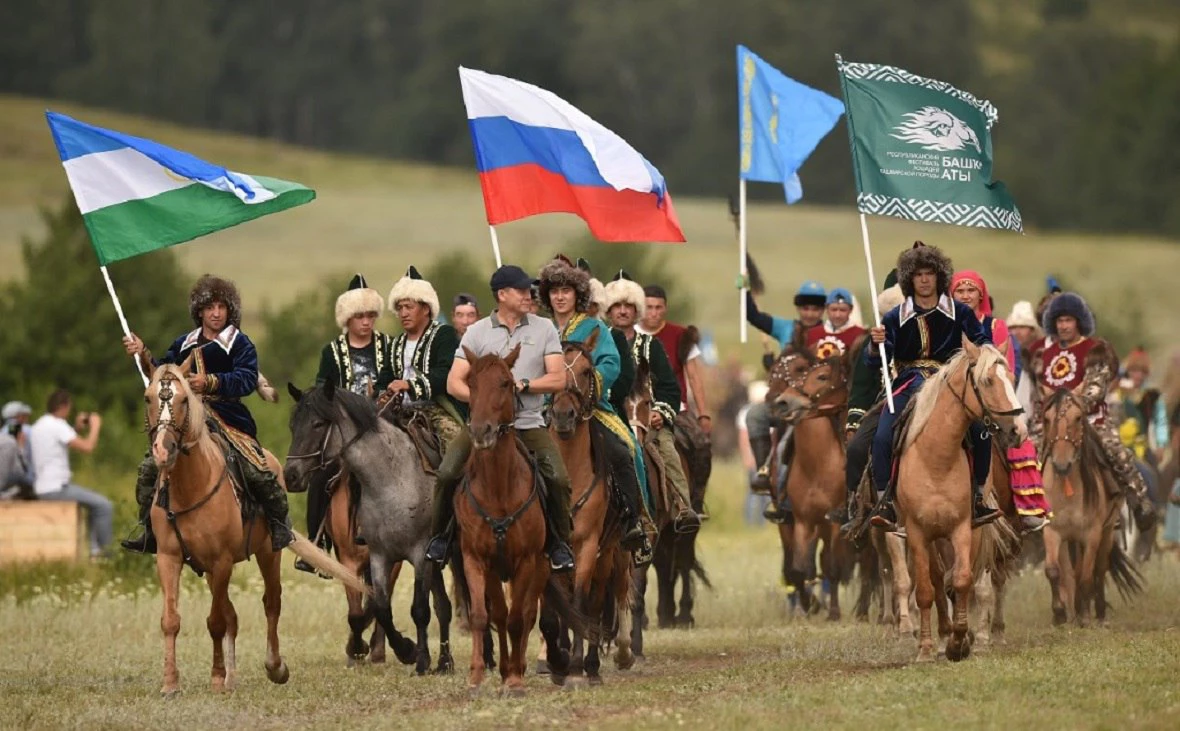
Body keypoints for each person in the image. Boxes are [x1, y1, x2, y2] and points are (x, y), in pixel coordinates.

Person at [121, 274, 292, 553]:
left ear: (229, 311)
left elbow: (247, 379)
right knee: (149, 468)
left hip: (229, 416)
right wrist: (142, 353)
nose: (216, 313)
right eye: (210, 307)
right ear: (199, 311)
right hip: (186, 416)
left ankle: (279, 526)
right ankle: (149, 530)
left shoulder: (240, 343)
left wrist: (211, 382)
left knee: (259, 470)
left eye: (221, 307)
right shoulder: (182, 344)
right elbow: (161, 373)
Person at [424, 264, 575, 572]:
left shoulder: (544, 328)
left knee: (558, 479)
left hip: (528, 423)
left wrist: (526, 385)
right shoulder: (477, 332)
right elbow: (454, 382)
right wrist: (483, 401)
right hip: (484, 424)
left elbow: (558, 378)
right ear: (502, 295)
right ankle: (439, 539)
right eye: (520, 291)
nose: (527, 296)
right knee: (448, 472)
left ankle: (560, 544)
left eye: (528, 291)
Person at [867, 243, 1002, 531]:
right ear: (909, 279)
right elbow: (879, 360)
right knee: (880, 437)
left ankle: (979, 498)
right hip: (909, 382)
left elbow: (980, 341)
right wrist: (875, 344)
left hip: (950, 383)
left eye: (930, 273)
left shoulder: (960, 313)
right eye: (918, 275)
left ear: (939, 276)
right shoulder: (894, 317)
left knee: (981, 431)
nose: (925, 279)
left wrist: (989, 354)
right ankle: (884, 502)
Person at [538, 256, 655, 556]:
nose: (560, 296)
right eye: (554, 291)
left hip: (592, 408)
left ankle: (634, 520)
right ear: (548, 296)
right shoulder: (540, 330)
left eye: (567, 290)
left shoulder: (594, 328)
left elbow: (612, 362)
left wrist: (586, 390)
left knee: (626, 448)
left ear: (578, 294)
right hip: (542, 409)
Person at [295, 273, 392, 573]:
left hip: (381, 423)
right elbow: (323, 391)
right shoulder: (332, 352)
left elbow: (393, 378)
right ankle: (316, 544)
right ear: (347, 318)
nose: (366, 322)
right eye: (359, 316)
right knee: (321, 476)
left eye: (370, 315)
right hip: (342, 429)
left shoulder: (388, 345)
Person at [1039, 292, 1155, 530]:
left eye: (1068, 320)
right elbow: (1044, 390)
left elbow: (1096, 388)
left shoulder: (1095, 349)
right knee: (1025, 450)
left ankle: (1138, 502)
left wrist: (1072, 403)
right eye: (1060, 321)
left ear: (1079, 321)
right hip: (1054, 421)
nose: (1063, 326)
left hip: (1090, 418)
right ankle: (1025, 510)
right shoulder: (1049, 354)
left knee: (1116, 452)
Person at [952, 271, 1051, 532]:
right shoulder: (943, 324)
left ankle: (1024, 508)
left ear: (981, 295)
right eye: (959, 291)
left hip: (988, 399)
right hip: (951, 399)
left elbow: (1007, 370)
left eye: (970, 290)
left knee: (1018, 438)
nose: (965, 295)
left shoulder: (996, 327)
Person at [603, 269, 701, 534]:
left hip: (646, 419)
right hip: (608, 416)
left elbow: (670, 388)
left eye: (628, 306)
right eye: (616, 306)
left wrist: (661, 413)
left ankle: (682, 506)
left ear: (636, 311)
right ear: (608, 311)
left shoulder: (650, 346)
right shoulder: (599, 344)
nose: (622, 311)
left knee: (668, 450)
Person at [831, 270, 902, 529]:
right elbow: (861, 386)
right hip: (885, 404)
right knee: (857, 449)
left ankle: (978, 497)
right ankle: (855, 506)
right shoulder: (872, 341)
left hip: (929, 395)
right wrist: (854, 421)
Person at [743, 281, 827, 493]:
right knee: (754, 415)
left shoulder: (829, 335)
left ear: (822, 310)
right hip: (785, 402)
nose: (809, 313)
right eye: (805, 308)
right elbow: (753, 316)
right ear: (799, 309)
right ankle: (764, 469)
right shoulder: (785, 328)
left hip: (817, 405)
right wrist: (745, 291)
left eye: (815, 308)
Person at [638, 284, 713, 519]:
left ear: (665, 308)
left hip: (676, 409)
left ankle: (696, 501)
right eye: (649, 307)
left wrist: (703, 413)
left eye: (658, 307)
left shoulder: (681, 336)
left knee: (700, 444)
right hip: (637, 409)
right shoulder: (628, 334)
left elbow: (694, 377)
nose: (653, 312)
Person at [382, 265, 466, 441]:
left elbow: (445, 373)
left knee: (455, 439)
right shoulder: (395, 343)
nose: (403, 313)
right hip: (398, 412)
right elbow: (385, 377)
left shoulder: (444, 335)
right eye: (399, 308)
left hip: (436, 410)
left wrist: (409, 385)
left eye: (409, 307)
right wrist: (381, 393)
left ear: (426, 309)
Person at [28, 389, 114, 558]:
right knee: (104, 506)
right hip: (56, 489)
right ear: (64, 406)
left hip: (42, 487)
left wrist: (77, 428)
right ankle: (105, 555)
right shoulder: (58, 425)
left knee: (94, 504)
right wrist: (95, 426)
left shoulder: (39, 425)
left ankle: (95, 551)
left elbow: (59, 442)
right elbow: (88, 447)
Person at [736, 380, 772, 525]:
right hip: (756, 456)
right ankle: (752, 522)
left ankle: (761, 523)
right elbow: (744, 437)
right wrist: (748, 457)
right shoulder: (747, 412)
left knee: (764, 493)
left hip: (765, 456)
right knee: (754, 492)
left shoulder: (764, 412)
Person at [806, 287, 867, 358]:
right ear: (826, 309)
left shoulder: (860, 335)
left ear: (851, 310)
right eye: (834, 310)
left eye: (842, 310)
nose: (837, 315)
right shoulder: (812, 334)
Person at [1, 401, 34, 489]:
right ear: (18, 416)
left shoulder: (3, 431)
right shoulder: (17, 429)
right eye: (24, 415)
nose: (27, 418)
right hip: (23, 479)